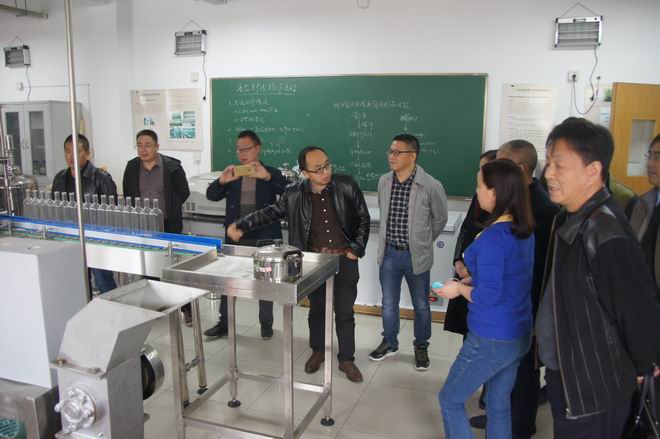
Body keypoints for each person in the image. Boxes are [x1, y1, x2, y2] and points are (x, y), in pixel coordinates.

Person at [536, 117, 660, 439]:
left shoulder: (605, 232)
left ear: (593, 170)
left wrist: (642, 367)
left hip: (592, 384)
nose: (548, 173)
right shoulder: (572, 218)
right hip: (569, 372)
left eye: (559, 165)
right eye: (548, 163)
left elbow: (639, 309)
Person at [226, 146, 370, 382]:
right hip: (314, 262)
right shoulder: (293, 193)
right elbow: (270, 213)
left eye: (327, 165)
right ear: (304, 173)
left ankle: (347, 359)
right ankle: (317, 351)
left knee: (345, 311)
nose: (325, 172)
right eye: (318, 169)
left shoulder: (347, 185)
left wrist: (356, 249)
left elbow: (363, 217)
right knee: (316, 310)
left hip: (344, 259)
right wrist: (242, 225)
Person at [436, 159, 535, 439]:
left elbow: (487, 297)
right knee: (498, 404)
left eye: (479, 186)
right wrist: (470, 280)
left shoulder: (493, 238)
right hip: (518, 333)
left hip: (491, 337)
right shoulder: (521, 228)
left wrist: (458, 290)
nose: (476, 192)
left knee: (450, 399)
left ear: (494, 193)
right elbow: (509, 277)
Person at [469, 140, 560, 435]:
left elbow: (540, 268)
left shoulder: (544, 209)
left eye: (501, 163)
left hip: (525, 305)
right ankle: (499, 416)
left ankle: (521, 425)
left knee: (523, 370)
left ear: (519, 169)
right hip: (503, 306)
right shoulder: (508, 200)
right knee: (502, 368)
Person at [367, 134, 447, 371]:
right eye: (390, 151)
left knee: (421, 304)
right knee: (389, 302)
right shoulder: (384, 181)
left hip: (416, 256)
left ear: (412, 156)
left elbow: (440, 219)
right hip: (389, 254)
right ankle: (390, 342)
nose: (391, 156)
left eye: (397, 152)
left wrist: (422, 242)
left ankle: (421, 345)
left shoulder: (430, 185)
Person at [203, 130, 290, 340]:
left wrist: (268, 177)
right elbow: (211, 195)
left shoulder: (270, 172)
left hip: (264, 237)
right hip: (236, 236)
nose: (242, 154)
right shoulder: (233, 174)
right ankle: (224, 323)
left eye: (246, 149)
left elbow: (288, 191)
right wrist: (222, 181)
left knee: (265, 282)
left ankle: (266, 325)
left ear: (257, 149)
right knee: (228, 281)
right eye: (239, 150)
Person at [122, 129, 191, 321]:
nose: (143, 149)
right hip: (144, 227)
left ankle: (186, 308)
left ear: (157, 146)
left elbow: (184, 192)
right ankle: (155, 309)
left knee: (174, 268)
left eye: (147, 145)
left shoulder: (172, 167)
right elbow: (128, 196)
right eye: (139, 145)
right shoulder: (131, 168)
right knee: (149, 269)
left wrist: (171, 209)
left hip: (168, 225)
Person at [52, 134, 118, 293]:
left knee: (104, 283)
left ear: (87, 153)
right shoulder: (60, 178)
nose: (71, 156)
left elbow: (111, 210)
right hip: (70, 239)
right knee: (77, 283)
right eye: (67, 151)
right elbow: (55, 209)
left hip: (96, 239)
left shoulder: (101, 178)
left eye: (76, 151)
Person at [444, 149, 497, 337]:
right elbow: (466, 228)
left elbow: (491, 289)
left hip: (479, 282)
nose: (478, 174)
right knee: (466, 326)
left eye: (483, 169)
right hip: (466, 270)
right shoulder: (479, 197)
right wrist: (458, 260)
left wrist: (468, 277)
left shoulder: (502, 228)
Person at [625, 132, 660, 419]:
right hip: (640, 314)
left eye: (658, 157)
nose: (650, 163)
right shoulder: (640, 204)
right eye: (650, 155)